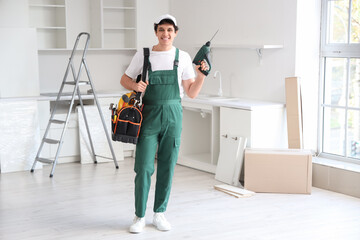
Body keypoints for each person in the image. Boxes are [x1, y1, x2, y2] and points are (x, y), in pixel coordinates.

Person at [120, 14, 208, 234]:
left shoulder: (183, 56)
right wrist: (135, 85)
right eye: (161, 29)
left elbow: (191, 93)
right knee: (143, 167)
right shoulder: (144, 54)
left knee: (167, 166)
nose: (165, 34)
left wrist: (202, 75)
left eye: (169, 30)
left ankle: (159, 213)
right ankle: (139, 216)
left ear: (175, 32)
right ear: (156, 31)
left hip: (173, 115)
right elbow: (124, 79)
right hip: (148, 115)